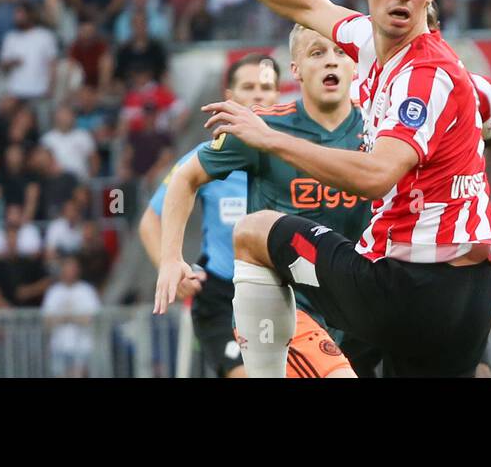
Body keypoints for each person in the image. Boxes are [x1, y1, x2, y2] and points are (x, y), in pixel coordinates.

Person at [152, 0, 491, 377]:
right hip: (469, 293)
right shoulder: (376, 47)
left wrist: (269, 138)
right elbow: (304, 3)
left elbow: (377, 175)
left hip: (409, 290)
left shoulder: (424, 77)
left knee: (254, 232)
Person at [155, 28, 371, 378]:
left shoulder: (380, 129)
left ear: (356, 65)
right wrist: (169, 259)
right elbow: (185, 177)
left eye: (341, 52)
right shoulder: (263, 129)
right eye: (317, 53)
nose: (331, 59)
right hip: (285, 307)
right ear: (296, 68)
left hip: (358, 305)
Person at [137, 52, 280, 378]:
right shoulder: (205, 159)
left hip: (284, 291)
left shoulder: (300, 153)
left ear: (278, 93)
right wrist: (169, 264)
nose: (259, 94)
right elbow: (149, 220)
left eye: (266, 86)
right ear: (230, 96)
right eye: (248, 86)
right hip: (221, 296)